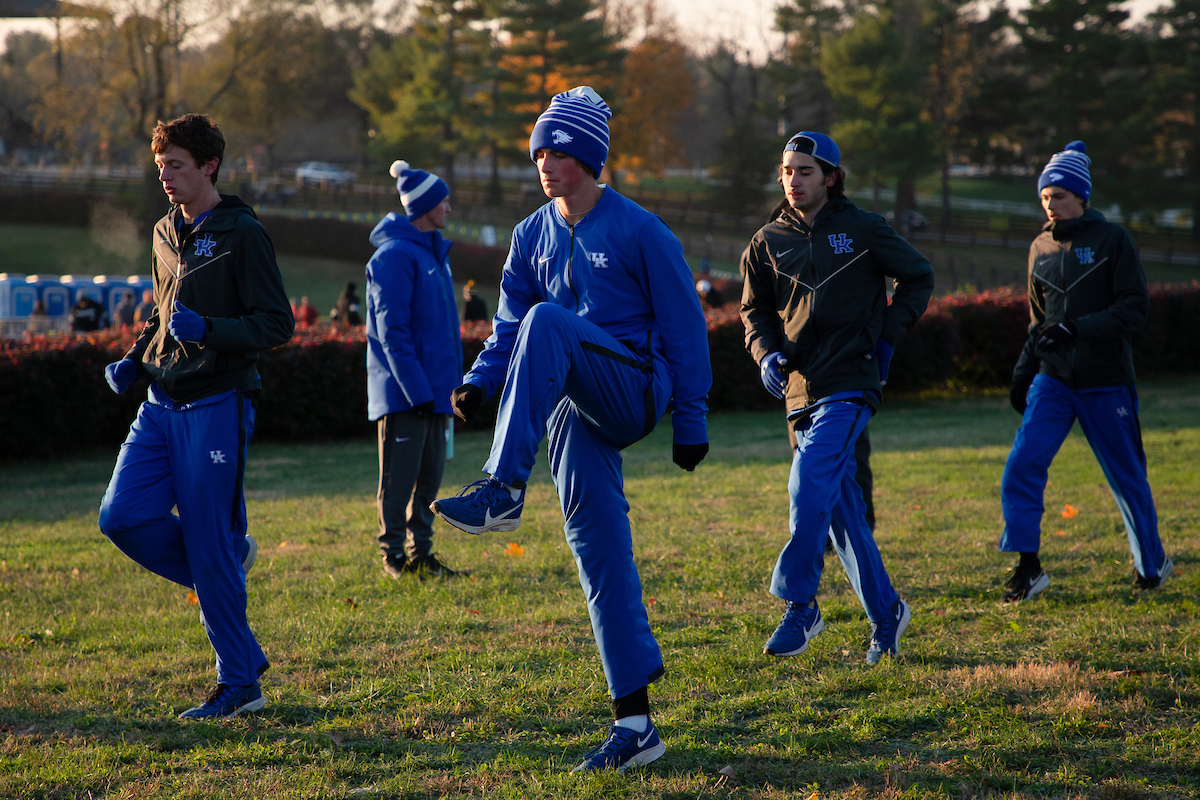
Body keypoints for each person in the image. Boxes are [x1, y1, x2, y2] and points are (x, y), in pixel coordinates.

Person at [430, 86, 711, 773]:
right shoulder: (530, 234)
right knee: (599, 550)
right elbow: (506, 328)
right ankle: (635, 723)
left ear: (588, 159)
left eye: (557, 151)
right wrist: (478, 382)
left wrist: (691, 419)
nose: (544, 162)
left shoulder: (642, 231)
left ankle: (502, 488)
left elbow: (684, 328)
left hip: (632, 390)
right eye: (538, 152)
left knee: (550, 321)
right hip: (568, 408)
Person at [97, 113, 294, 720]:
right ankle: (224, 565)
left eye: (176, 166)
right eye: (160, 167)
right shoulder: (161, 231)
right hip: (159, 404)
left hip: (218, 404)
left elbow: (276, 325)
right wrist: (134, 358)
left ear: (209, 166)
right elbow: (161, 315)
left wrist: (210, 329)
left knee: (210, 544)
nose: (166, 178)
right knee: (121, 517)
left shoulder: (243, 233)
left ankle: (240, 684)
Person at [741, 131, 933, 665]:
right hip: (798, 390)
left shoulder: (864, 228)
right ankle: (887, 612)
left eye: (804, 171)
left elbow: (918, 276)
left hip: (850, 382)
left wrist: (888, 335)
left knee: (808, 483)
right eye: (786, 170)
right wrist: (764, 354)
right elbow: (753, 310)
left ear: (830, 176)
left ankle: (800, 603)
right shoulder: (766, 241)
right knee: (842, 513)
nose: (793, 180)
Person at [1000, 140, 1173, 601]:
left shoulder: (1113, 240)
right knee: (1021, 467)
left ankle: (1151, 564)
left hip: (1106, 382)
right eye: (1044, 197)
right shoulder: (1039, 247)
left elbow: (1134, 308)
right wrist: (1024, 372)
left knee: (1127, 477)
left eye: (1057, 196)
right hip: (1053, 381)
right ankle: (1028, 566)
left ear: (1081, 197)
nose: (1049, 205)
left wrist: (1077, 330)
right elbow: (1037, 322)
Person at [366, 160, 464, 579]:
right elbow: (393, 334)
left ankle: (420, 554)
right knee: (399, 480)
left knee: (429, 480)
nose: (448, 208)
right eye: (443, 201)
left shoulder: (435, 256)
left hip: (436, 395)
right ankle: (393, 557)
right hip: (407, 396)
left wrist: (448, 391)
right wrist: (418, 391)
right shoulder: (393, 257)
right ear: (424, 206)